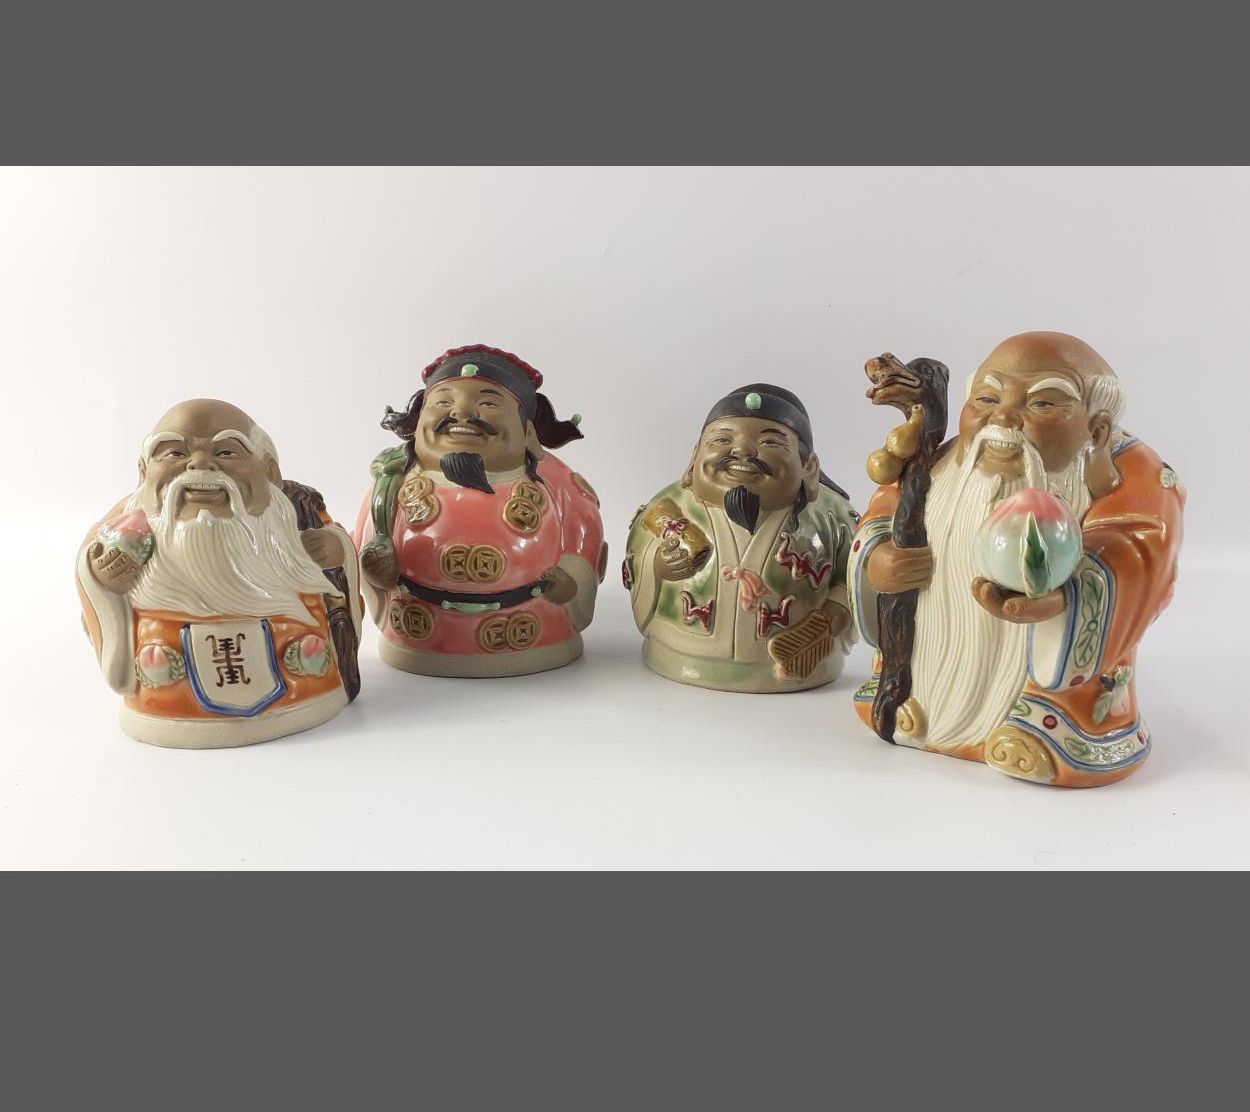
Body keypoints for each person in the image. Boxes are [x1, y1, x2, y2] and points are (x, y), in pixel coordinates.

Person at [848, 332, 1184, 786]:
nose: (1003, 417)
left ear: (1096, 431)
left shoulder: (1134, 474)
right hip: (926, 661)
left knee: (1058, 721)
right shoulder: (943, 460)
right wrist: (878, 557)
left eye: (1042, 403)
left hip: (1057, 706)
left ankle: (1037, 725)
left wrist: (1064, 599)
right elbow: (886, 507)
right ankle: (918, 698)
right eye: (987, 398)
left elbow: (1141, 547)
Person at [76, 399, 362, 748]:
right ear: (143, 471)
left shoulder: (294, 514)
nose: (199, 464)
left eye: (226, 452)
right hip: (164, 678)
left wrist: (335, 550)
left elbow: (341, 562)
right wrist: (100, 578)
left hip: (302, 674)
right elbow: (89, 568)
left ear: (269, 472)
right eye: (174, 453)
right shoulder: (127, 525)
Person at [356, 345, 605, 677]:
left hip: (534, 634)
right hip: (416, 634)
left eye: (488, 403)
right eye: (442, 401)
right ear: (417, 424)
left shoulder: (559, 485)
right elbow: (361, 548)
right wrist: (373, 571)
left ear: (529, 433)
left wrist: (571, 585)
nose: (461, 412)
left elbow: (583, 548)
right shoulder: (389, 484)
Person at [625, 384, 857, 692]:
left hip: (801, 661)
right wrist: (657, 564)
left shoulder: (833, 515)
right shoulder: (670, 505)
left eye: (770, 442)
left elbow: (856, 575)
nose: (743, 451)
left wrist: (834, 615)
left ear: (808, 466)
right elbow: (638, 551)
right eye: (722, 439)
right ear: (694, 456)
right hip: (678, 649)